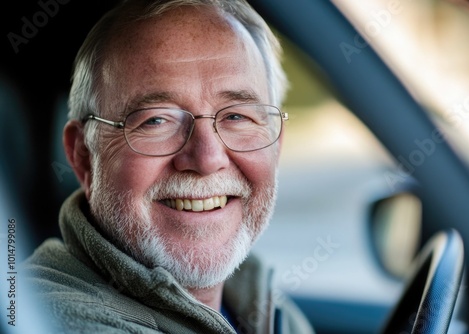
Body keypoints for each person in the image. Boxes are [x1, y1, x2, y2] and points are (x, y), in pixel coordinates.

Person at [23, 0, 314, 333]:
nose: (206, 160)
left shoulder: (261, 302)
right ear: (84, 156)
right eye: (156, 120)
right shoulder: (52, 320)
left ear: (276, 144)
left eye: (237, 116)